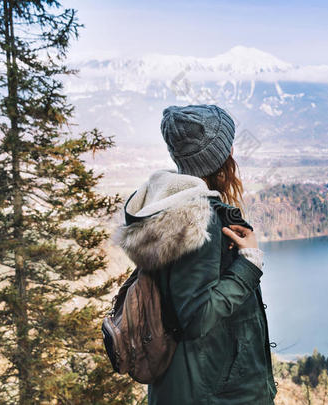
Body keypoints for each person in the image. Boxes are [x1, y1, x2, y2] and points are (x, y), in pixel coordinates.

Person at [113, 105, 277, 404]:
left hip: (184, 384)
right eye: (228, 146)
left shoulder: (166, 207)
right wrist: (249, 264)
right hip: (215, 392)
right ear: (219, 157)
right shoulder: (199, 221)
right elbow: (198, 316)